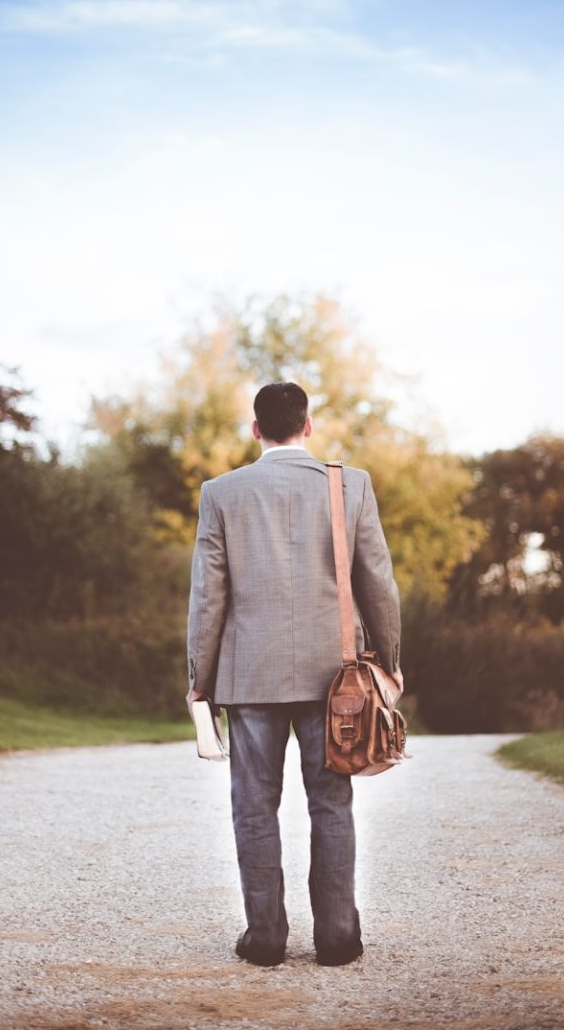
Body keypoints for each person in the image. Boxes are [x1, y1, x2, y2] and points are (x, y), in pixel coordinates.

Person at [186, 382, 402, 968]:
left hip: (249, 677)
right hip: (337, 680)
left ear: (255, 429)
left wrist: (200, 680)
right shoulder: (349, 484)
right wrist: (389, 659)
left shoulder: (221, 492)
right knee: (331, 802)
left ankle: (265, 940)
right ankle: (336, 938)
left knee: (253, 806)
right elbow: (376, 580)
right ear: (308, 426)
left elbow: (209, 597)